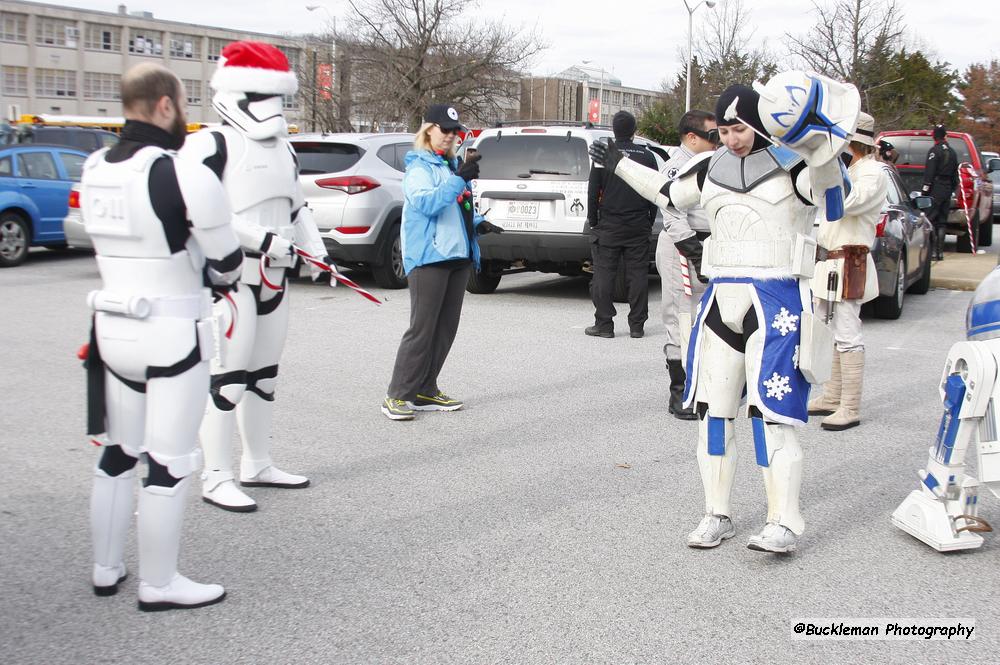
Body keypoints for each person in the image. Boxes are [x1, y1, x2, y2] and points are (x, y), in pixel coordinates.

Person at [590, 73, 860, 553]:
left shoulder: (795, 165)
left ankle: (784, 519)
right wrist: (621, 165)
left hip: (776, 299)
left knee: (769, 415)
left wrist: (823, 151)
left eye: (740, 128)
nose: (732, 138)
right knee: (714, 414)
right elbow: (668, 194)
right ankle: (717, 513)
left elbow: (834, 199)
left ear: (760, 123)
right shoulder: (708, 168)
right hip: (722, 299)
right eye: (725, 129)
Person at [82, 63, 241, 610]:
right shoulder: (183, 172)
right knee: (169, 460)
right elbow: (227, 264)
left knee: (117, 454)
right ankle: (159, 581)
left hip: (111, 330)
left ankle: (106, 569)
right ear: (166, 106)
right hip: (172, 331)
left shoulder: (93, 166)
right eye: (183, 105)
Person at [179, 41, 333, 512]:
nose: (271, 112)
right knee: (229, 376)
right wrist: (267, 242)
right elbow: (204, 214)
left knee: (264, 375)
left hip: (277, 275)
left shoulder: (283, 149)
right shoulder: (209, 144)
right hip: (232, 277)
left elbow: (297, 205)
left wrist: (317, 248)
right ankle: (216, 473)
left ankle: (257, 462)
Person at [381, 104, 503, 421]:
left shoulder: (447, 165)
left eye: (454, 131)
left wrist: (478, 222)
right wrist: (458, 179)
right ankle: (396, 395)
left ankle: (424, 389)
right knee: (422, 329)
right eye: (444, 129)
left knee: (445, 329)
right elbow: (426, 203)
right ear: (428, 130)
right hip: (429, 258)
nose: (450, 136)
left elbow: (453, 210)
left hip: (457, 257)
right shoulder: (419, 168)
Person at [807, 112, 887, 431]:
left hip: (849, 259)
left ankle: (849, 405)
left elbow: (847, 202)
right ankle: (832, 395)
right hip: (830, 259)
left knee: (847, 331)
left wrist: (831, 165)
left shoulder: (872, 172)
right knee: (829, 330)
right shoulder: (854, 167)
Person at [655, 110, 717, 419]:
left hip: (712, 243)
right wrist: (694, 251)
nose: (719, 141)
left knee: (709, 319)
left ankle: (704, 384)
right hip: (683, 244)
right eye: (713, 136)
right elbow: (672, 212)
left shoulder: (713, 163)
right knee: (681, 315)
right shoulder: (676, 168)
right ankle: (680, 392)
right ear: (692, 138)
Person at [586, 110, 659, 339]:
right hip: (638, 223)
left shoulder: (604, 155)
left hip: (609, 223)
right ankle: (637, 326)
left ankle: (604, 324)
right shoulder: (646, 157)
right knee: (637, 274)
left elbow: (593, 190)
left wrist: (594, 219)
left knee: (604, 274)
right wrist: (649, 219)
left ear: (613, 131)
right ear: (634, 131)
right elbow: (653, 191)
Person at [922, 124, 958, 261]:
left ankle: (931, 252)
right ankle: (940, 253)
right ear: (945, 136)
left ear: (934, 136)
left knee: (931, 219)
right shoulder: (953, 152)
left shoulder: (934, 151)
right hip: (947, 188)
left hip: (936, 188)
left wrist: (925, 190)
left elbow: (929, 173)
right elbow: (955, 174)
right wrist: (952, 188)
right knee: (942, 221)